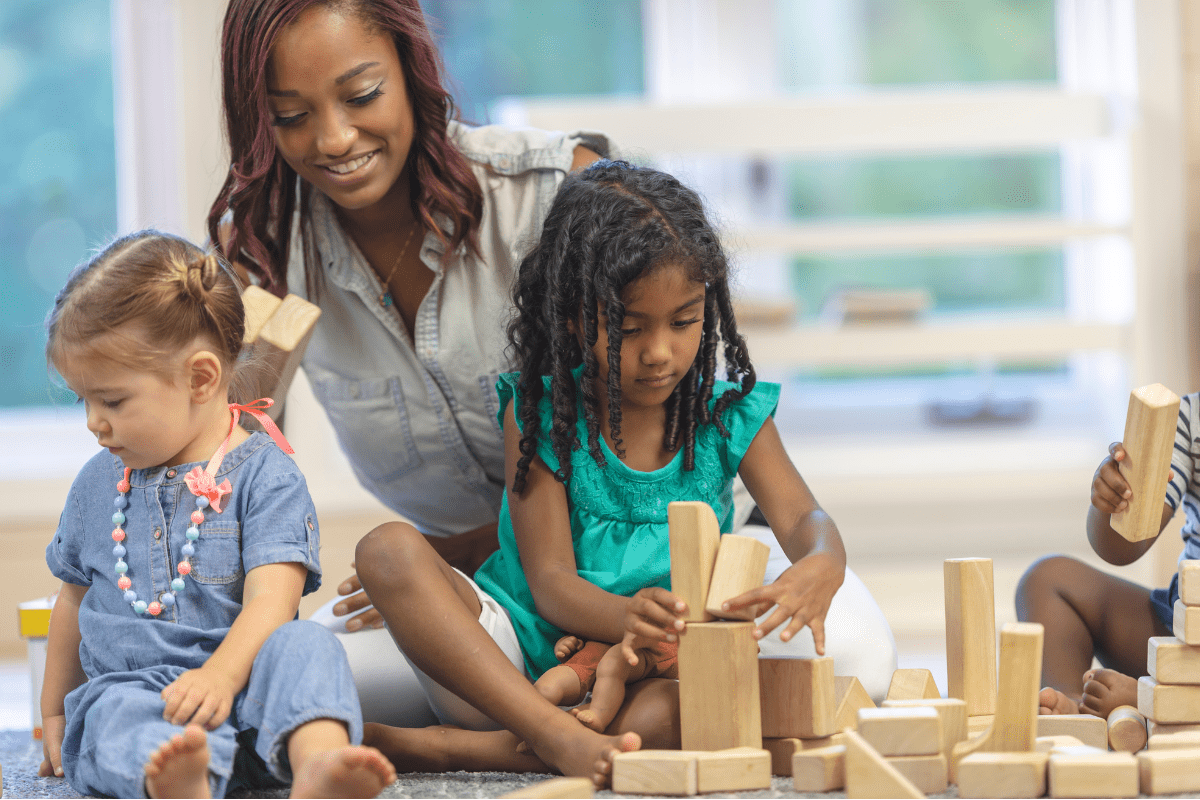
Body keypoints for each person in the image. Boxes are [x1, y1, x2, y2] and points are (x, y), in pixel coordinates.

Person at [354, 161, 869, 783]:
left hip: (635, 682)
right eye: (628, 329)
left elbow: (802, 517)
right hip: (506, 665)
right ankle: (546, 735)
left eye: (684, 322)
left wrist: (824, 561)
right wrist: (624, 617)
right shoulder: (543, 412)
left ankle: (454, 750)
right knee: (385, 550)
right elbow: (548, 583)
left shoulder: (731, 415)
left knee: (677, 712)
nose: (660, 352)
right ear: (573, 318)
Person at [208, 0, 610, 726]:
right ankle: (542, 715)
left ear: (412, 66)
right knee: (267, 695)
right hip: (468, 599)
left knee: (853, 654)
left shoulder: (558, 195)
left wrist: (441, 555)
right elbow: (222, 466)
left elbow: (661, 450)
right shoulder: (266, 256)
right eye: (290, 116)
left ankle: (494, 729)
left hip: (637, 563)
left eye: (361, 96)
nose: (333, 139)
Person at [38, 231, 396, 799]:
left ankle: (318, 765)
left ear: (200, 379)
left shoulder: (267, 474)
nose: (92, 423)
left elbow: (272, 604)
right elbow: (72, 599)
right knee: (111, 715)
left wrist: (221, 678)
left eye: (111, 401)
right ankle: (177, 778)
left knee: (309, 646)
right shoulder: (96, 482)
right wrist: (56, 713)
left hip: (253, 706)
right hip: (138, 696)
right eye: (84, 400)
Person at [1016, 402, 1195, 717]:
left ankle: (1153, 699)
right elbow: (1122, 549)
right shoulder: (1191, 418)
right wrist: (1114, 497)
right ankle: (1077, 708)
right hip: (1183, 625)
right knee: (1048, 579)